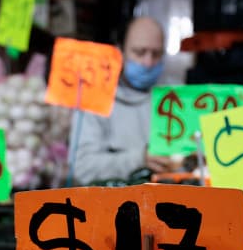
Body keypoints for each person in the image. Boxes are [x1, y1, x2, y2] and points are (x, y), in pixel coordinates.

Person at [68, 16, 180, 185]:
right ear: (120, 52)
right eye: (139, 52)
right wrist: (140, 159)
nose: (148, 62)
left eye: (156, 54)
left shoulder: (177, 98)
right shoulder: (95, 99)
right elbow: (81, 167)